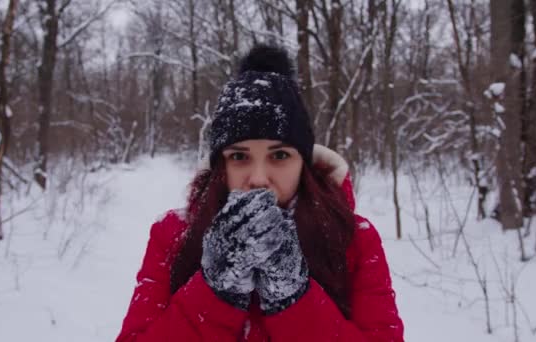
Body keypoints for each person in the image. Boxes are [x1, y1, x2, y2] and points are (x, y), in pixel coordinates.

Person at [115, 45, 404, 341]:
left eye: (279, 156)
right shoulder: (174, 235)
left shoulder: (354, 239)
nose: (258, 179)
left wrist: (293, 298)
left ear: (303, 163)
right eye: (239, 157)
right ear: (220, 166)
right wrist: (215, 292)